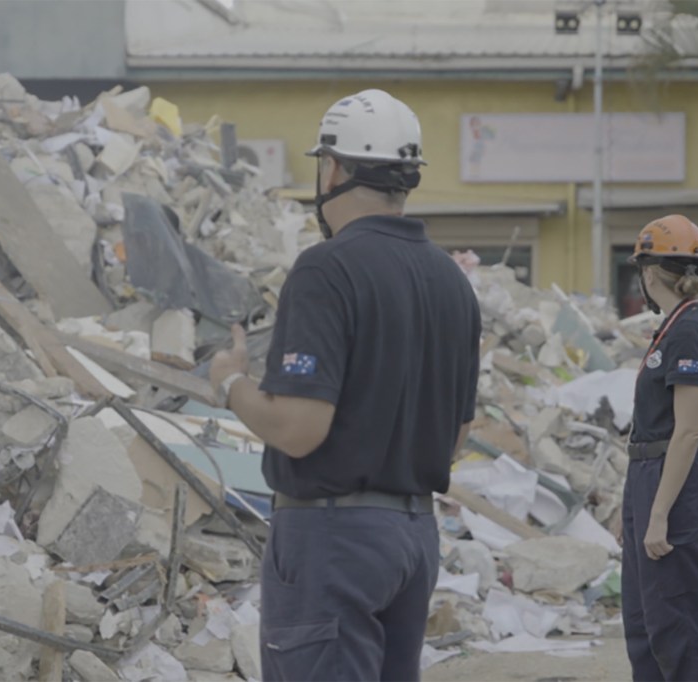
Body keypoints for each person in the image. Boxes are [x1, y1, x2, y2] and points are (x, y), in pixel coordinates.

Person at [209, 89, 481, 682]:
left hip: (332, 539)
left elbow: (300, 429)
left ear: (332, 168)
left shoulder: (326, 268)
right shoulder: (452, 282)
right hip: (413, 537)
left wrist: (230, 383)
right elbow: (457, 435)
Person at [620, 215, 698, 682]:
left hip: (674, 476)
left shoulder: (689, 331)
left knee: (676, 620)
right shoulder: (673, 327)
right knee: (644, 618)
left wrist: (659, 512)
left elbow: (687, 431)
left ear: (647, 273)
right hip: (650, 473)